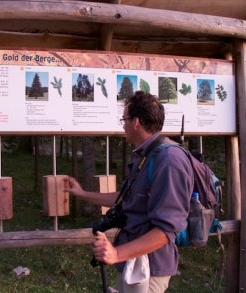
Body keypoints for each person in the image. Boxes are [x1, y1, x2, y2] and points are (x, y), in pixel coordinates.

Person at [65, 91, 194, 292]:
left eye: (124, 119)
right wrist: (82, 194)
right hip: (131, 262)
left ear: (136, 122)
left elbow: (167, 229)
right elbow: (125, 198)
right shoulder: (147, 155)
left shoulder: (169, 161)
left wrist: (116, 253)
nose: (123, 124)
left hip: (149, 269)